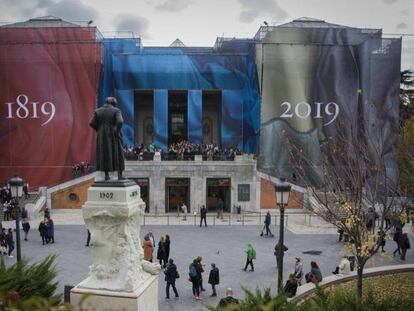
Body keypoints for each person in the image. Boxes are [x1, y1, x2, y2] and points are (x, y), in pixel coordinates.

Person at [89, 96, 125, 181]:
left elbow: (91, 123)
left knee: (104, 154)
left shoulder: (98, 111)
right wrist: (116, 131)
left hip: (101, 136)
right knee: (118, 153)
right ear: (113, 103)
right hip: (113, 135)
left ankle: (106, 175)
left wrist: (99, 129)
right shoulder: (116, 110)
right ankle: (120, 175)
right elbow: (120, 121)